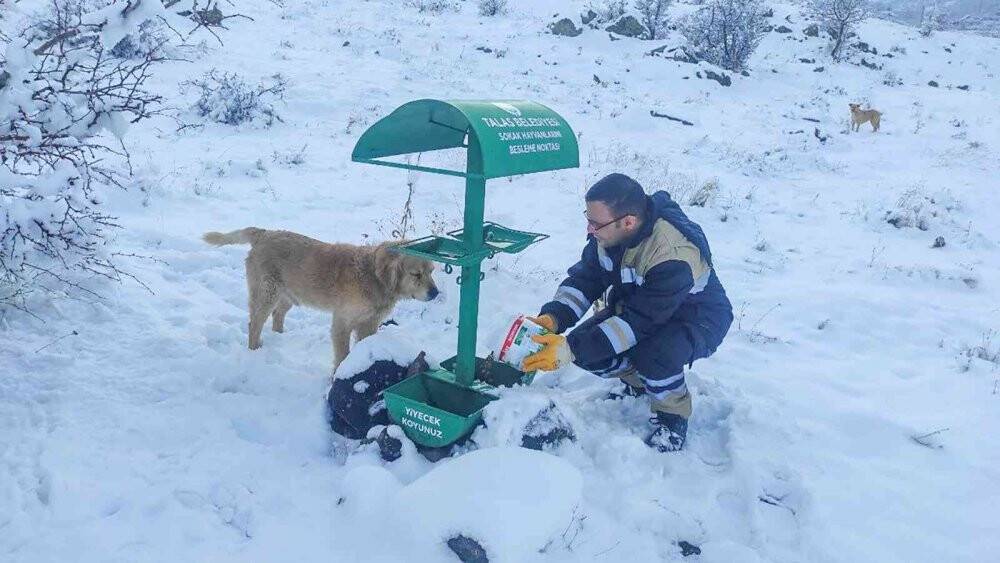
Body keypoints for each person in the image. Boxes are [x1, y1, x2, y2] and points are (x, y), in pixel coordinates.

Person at [523, 173, 733, 452]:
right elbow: (586, 278)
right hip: (643, 308)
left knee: (654, 356)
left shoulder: (671, 254)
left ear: (629, 221)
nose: (589, 230)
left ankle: (673, 416)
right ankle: (643, 384)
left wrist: (569, 348)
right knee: (588, 349)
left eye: (595, 223)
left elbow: (637, 323)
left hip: (698, 319)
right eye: (588, 219)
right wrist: (554, 317)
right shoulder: (610, 236)